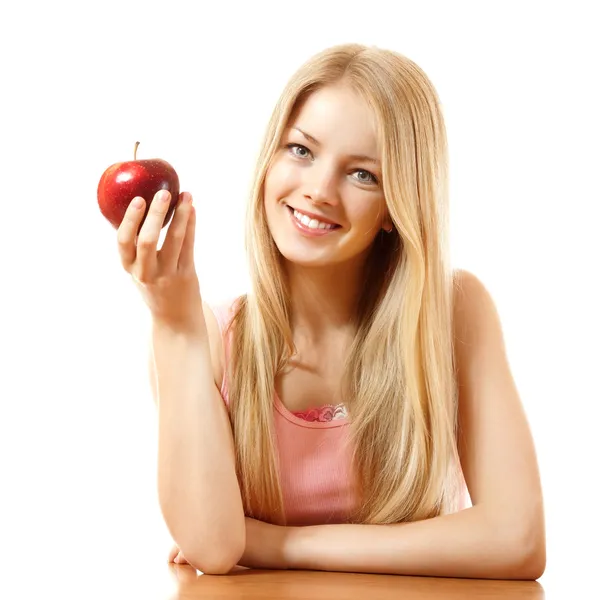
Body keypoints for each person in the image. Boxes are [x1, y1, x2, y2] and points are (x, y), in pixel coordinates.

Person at [117, 43, 546, 579]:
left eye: (362, 174)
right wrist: (173, 323)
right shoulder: (206, 336)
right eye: (301, 150)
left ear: (397, 204)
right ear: (270, 159)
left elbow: (517, 540)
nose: (318, 190)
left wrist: (277, 544)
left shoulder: (454, 312)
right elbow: (213, 546)